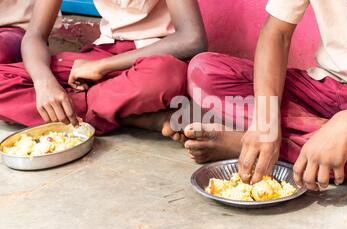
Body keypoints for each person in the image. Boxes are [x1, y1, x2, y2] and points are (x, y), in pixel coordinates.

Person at [184, 0, 347, 196]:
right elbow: (277, 33)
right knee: (205, 72)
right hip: (321, 86)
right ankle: (341, 155)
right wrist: (265, 121)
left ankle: (257, 147)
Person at [0, 0, 207, 140]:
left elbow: (192, 38)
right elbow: (34, 35)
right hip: (102, 53)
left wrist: (102, 67)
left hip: (152, 58)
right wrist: (44, 83)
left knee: (165, 75)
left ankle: (76, 112)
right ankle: (135, 117)